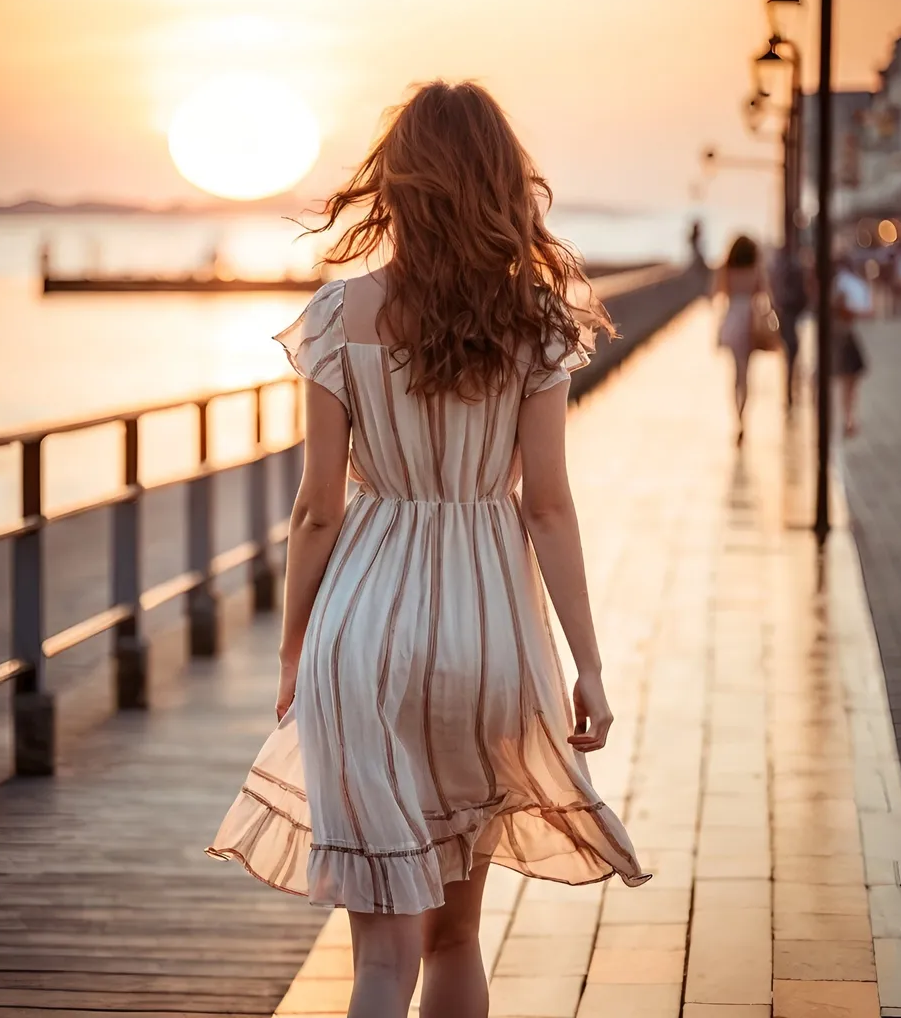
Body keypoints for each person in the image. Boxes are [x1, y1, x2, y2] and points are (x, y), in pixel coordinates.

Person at [206, 81, 649, 1018]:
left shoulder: (338, 317)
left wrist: (294, 647)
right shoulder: (535, 322)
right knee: (454, 938)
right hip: (488, 639)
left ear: (397, 184)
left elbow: (318, 510)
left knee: (379, 962)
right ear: (499, 186)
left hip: (362, 641)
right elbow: (551, 508)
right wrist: (590, 667)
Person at [712, 235, 771, 444]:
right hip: (750, 321)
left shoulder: (726, 269)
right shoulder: (756, 269)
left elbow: (717, 293)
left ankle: (737, 419)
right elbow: (765, 295)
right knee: (746, 375)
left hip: (732, 319)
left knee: (735, 374)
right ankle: (743, 416)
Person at [832, 257, 873, 438]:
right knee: (848, 383)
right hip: (845, 336)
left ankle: (848, 417)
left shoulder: (842, 284)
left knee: (849, 383)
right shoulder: (842, 285)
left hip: (847, 336)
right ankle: (848, 418)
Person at [770, 247, 809, 410]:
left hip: (785, 314)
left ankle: (790, 388)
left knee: (790, 351)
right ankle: (790, 388)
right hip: (790, 314)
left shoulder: (778, 270)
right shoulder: (794, 268)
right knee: (792, 351)